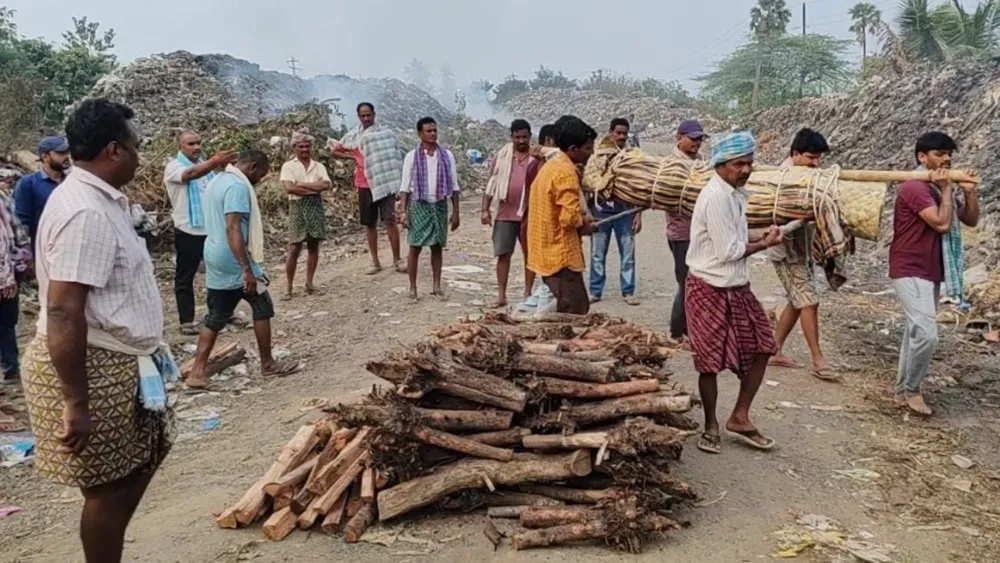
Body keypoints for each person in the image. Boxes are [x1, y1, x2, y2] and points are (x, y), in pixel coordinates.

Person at [22, 99, 178, 562]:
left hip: (121, 361)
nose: (139, 156)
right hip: (95, 364)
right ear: (114, 150)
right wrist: (77, 400)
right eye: (136, 147)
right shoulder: (84, 212)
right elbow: (65, 311)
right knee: (107, 489)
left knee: (138, 464)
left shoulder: (101, 201)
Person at [685, 130, 784, 455]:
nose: (745, 170)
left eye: (749, 163)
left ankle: (740, 416)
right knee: (708, 362)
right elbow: (729, 251)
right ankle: (710, 425)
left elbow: (732, 238)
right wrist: (764, 243)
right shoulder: (715, 197)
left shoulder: (733, 195)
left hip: (735, 286)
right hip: (708, 286)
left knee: (763, 347)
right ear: (720, 164)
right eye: (739, 164)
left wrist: (757, 235)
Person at [185, 151, 299, 389]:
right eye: (260, 175)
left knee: (216, 315)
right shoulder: (237, 187)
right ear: (253, 167)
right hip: (233, 257)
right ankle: (267, 364)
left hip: (214, 252)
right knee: (262, 306)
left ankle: (197, 371)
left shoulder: (217, 180)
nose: (258, 180)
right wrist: (246, 268)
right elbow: (233, 228)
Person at [889, 132, 979, 416]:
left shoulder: (940, 187)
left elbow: (971, 220)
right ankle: (913, 390)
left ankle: (902, 390)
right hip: (910, 267)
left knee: (915, 331)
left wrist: (969, 191)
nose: (947, 159)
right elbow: (941, 223)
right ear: (922, 157)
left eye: (949, 154)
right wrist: (949, 190)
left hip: (932, 269)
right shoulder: (915, 186)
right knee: (927, 334)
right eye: (939, 154)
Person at [767, 128, 837, 380]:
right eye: (810, 158)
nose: (815, 164)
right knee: (809, 300)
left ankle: (773, 350)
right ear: (795, 154)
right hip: (785, 250)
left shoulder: (805, 176)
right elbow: (778, 218)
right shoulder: (783, 179)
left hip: (801, 250)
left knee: (797, 301)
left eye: (818, 159)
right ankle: (819, 360)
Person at [163, 131, 237, 334]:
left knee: (220, 270)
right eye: (190, 144)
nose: (196, 147)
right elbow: (190, 174)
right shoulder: (174, 167)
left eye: (198, 143)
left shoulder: (206, 166)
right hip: (188, 230)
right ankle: (186, 321)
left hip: (211, 228)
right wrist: (214, 161)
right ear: (180, 147)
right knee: (185, 277)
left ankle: (223, 314)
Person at [526, 117, 597, 314]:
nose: (592, 154)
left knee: (568, 305)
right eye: (588, 148)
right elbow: (569, 219)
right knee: (575, 310)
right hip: (561, 255)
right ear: (573, 149)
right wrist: (585, 224)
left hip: (546, 250)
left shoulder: (552, 166)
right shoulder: (566, 172)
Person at [331, 102, 405, 275]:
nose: (366, 118)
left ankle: (397, 260)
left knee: (390, 221)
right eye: (362, 115)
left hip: (384, 183)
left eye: (368, 115)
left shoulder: (384, 134)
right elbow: (335, 150)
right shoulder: (353, 136)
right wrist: (352, 157)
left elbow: (393, 155)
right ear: (358, 116)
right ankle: (375, 262)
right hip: (364, 184)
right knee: (370, 224)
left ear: (374, 114)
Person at [399, 117, 461, 300]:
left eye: (434, 130)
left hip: (439, 205)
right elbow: (405, 187)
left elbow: (454, 186)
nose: (433, 134)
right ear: (420, 134)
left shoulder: (446, 156)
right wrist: (403, 212)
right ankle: (412, 287)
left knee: (437, 246)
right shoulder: (412, 156)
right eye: (428, 131)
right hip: (419, 205)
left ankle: (436, 286)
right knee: (415, 246)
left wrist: (456, 212)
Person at [482, 119, 540, 308]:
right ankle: (501, 295)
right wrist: (485, 209)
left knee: (530, 256)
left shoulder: (538, 158)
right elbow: (491, 183)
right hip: (505, 214)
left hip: (530, 214)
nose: (521, 141)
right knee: (503, 254)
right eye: (517, 137)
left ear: (530, 136)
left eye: (524, 137)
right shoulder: (502, 156)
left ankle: (528, 292)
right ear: (512, 137)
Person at [588, 118, 641, 306]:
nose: (621, 136)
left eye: (624, 133)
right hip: (601, 212)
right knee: (597, 254)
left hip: (625, 212)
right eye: (618, 133)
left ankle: (628, 291)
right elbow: (589, 182)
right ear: (610, 132)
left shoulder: (631, 157)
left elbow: (638, 187)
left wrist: (638, 214)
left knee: (627, 254)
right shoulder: (598, 156)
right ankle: (595, 291)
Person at [666, 120, 707, 340]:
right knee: (686, 282)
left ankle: (687, 328)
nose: (697, 143)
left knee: (697, 280)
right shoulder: (671, 164)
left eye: (700, 139)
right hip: (681, 233)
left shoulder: (700, 161)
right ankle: (676, 331)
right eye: (693, 138)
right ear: (678, 137)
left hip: (699, 231)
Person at [280, 132, 331, 298]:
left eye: (307, 146)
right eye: (300, 146)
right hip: (297, 207)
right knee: (294, 247)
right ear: (294, 148)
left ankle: (309, 283)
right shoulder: (288, 166)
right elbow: (290, 188)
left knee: (313, 246)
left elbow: (326, 185)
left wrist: (301, 185)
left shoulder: (318, 166)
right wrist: (313, 188)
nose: (304, 149)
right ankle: (288, 287)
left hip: (315, 208)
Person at [14, 136, 70, 251]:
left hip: (69, 248)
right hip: (42, 251)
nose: (66, 157)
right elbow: (21, 223)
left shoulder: (72, 183)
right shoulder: (28, 184)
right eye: (60, 153)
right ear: (45, 157)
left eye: (66, 152)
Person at [0, 182, 30, 382]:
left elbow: (18, 234)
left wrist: (20, 267)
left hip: (5, 275)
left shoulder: (2, 199)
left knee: (6, 323)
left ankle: (11, 367)